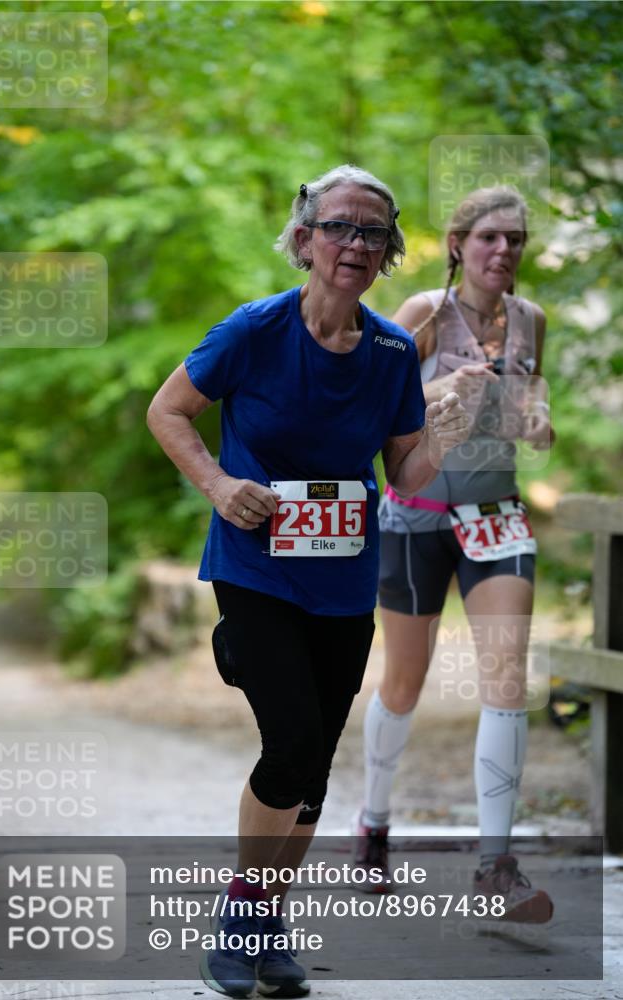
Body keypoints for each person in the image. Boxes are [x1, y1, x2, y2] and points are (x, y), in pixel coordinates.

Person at [147, 164, 468, 999]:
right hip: (253, 566)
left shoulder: (394, 351)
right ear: (304, 238)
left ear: (388, 251)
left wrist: (444, 429)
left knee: (316, 763)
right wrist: (219, 485)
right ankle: (243, 919)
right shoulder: (253, 329)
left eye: (372, 232)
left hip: (340, 575)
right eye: (339, 227)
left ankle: (271, 924)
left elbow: (405, 473)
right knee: (288, 741)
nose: (355, 244)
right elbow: (167, 411)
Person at [356, 185, 555, 923]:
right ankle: (373, 824)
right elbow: (374, 399)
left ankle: (494, 863)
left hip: (495, 513)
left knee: (505, 677)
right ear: (457, 243)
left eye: (515, 241)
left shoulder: (530, 320)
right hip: (414, 515)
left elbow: (534, 400)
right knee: (404, 681)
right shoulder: (421, 314)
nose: (502, 252)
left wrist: (538, 422)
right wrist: (442, 383)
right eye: (488, 239)